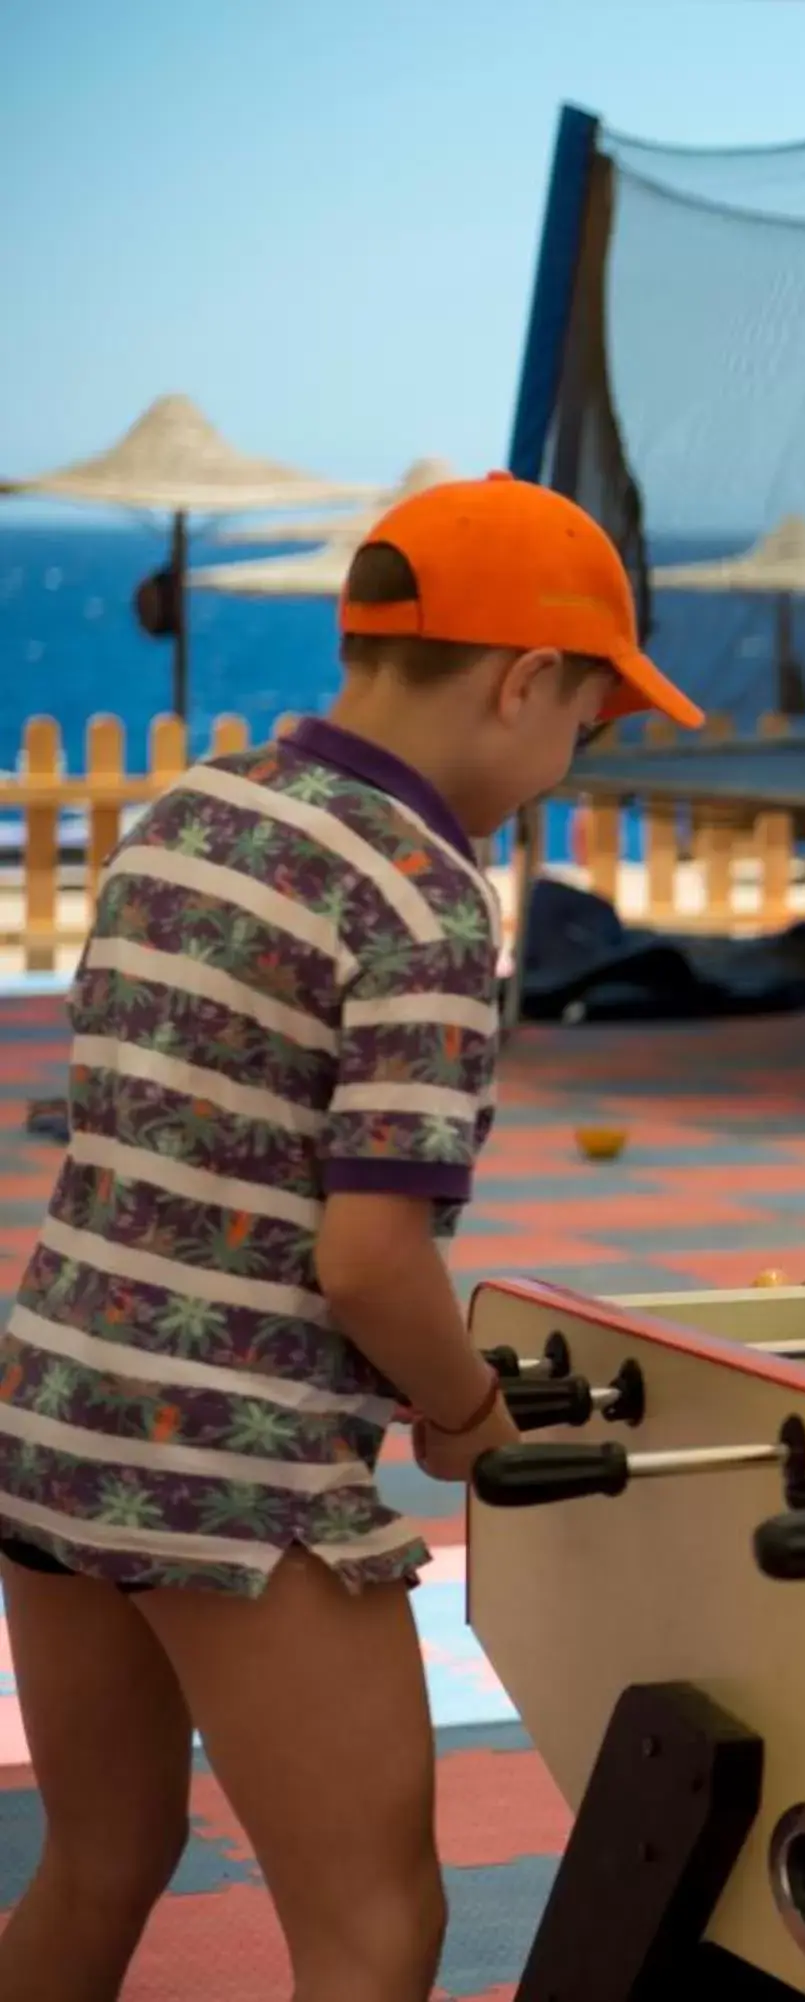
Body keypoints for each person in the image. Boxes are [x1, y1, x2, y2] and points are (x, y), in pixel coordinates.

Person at [0, 473, 701, 2002]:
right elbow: (370, 1261)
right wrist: (463, 1415)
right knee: (375, 1921)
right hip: (241, 1478)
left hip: (54, 1408)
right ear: (526, 680)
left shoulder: (191, 810)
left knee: (95, 1862)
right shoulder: (427, 901)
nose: (575, 758)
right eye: (589, 718)